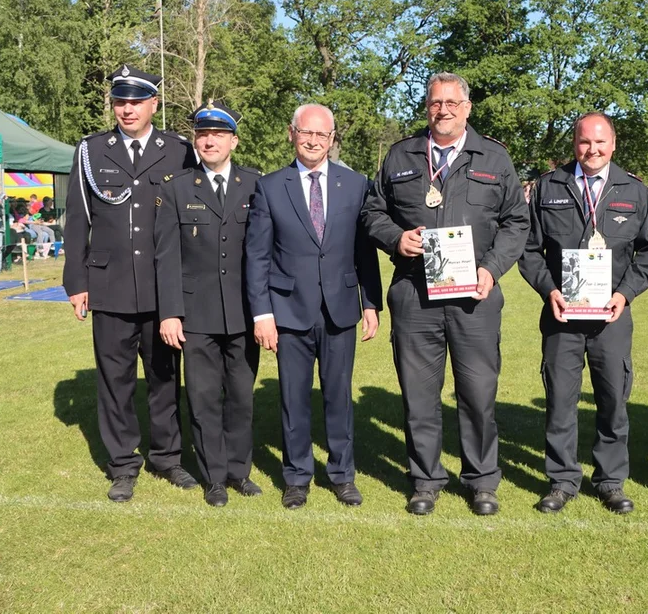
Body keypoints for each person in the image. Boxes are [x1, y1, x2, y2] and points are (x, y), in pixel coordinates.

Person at [362, 72, 529, 516]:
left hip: (475, 297)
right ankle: (425, 479)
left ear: (468, 108)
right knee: (419, 395)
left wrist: (492, 270)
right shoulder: (401, 155)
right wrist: (396, 238)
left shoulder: (494, 157)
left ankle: (481, 481)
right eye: (436, 102)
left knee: (477, 395)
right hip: (415, 294)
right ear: (427, 107)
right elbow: (372, 211)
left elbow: (517, 222)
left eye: (453, 102)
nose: (444, 110)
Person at [63, 64, 198, 502]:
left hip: (163, 288)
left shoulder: (178, 150)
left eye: (136, 102)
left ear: (153, 104)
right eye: (120, 101)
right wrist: (76, 280)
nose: (126, 109)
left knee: (164, 376)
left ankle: (167, 458)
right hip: (110, 284)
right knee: (114, 379)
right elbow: (77, 219)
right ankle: (122, 463)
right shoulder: (91, 151)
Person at [518, 112, 648, 514]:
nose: (592, 149)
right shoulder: (549, 187)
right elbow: (528, 250)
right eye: (584, 142)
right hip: (562, 316)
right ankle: (562, 480)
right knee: (561, 400)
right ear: (574, 144)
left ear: (613, 144)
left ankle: (611, 480)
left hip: (612, 317)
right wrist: (548, 290)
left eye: (600, 142)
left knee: (613, 399)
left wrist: (626, 294)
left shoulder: (634, 191)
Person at [244, 104, 382, 510]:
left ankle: (342, 474)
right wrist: (262, 313)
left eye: (322, 135)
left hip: (340, 308)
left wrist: (370, 302)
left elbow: (364, 252)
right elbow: (257, 257)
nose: (313, 141)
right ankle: (297, 476)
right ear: (292, 133)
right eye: (306, 132)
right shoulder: (270, 186)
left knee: (339, 396)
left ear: (332, 138)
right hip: (289, 311)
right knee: (294, 398)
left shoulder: (356, 185)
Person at [154, 101, 262, 507]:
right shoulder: (176, 187)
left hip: (242, 313)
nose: (209, 141)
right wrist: (169, 311)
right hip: (195, 315)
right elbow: (164, 256)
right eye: (202, 134)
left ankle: (239, 472)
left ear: (233, 140)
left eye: (218, 134)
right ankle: (214, 477)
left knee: (241, 398)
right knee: (201, 399)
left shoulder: (254, 185)